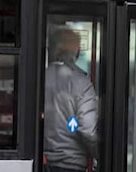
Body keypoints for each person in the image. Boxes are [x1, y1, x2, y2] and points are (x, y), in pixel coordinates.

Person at [43, 28, 98, 172]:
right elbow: (89, 131)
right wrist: (99, 154)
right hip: (71, 164)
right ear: (77, 51)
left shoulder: (37, 79)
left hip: (41, 162)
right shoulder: (82, 83)